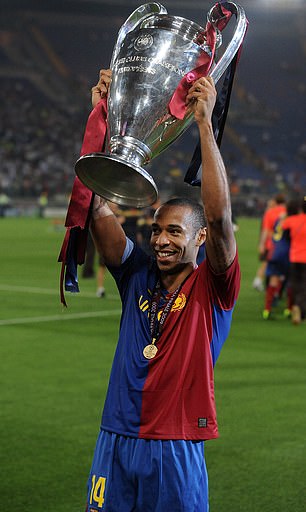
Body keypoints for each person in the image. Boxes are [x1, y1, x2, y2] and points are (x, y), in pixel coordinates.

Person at [84, 69, 240, 512]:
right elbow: (96, 210)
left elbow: (218, 214)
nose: (161, 241)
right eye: (156, 231)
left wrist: (205, 124)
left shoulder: (215, 285)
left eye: (175, 232)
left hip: (175, 440)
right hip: (115, 436)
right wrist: (105, 122)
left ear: (199, 239)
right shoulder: (136, 273)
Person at [281, 196, 306, 324]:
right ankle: (301, 310)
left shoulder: (290, 220)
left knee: (296, 283)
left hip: (295, 257)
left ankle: (295, 305)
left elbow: (284, 239)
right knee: (304, 285)